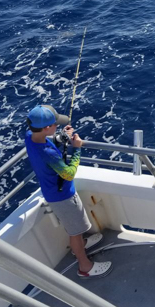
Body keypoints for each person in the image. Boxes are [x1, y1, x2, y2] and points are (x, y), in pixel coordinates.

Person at [25, 104, 111, 279]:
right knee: (75, 232)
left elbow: (47, 141)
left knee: (76, 229)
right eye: (55, 124)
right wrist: (77, 147)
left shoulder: (30, 136)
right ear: (47, 127)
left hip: (52, 191)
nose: (57, 126)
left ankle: (82, 243)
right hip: (63, 197)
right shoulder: (48, 153)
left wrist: (60, 137)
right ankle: (84, 266)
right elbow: (68, 173)